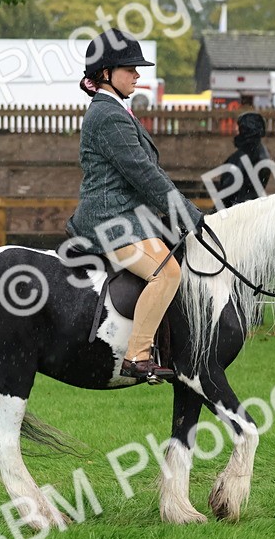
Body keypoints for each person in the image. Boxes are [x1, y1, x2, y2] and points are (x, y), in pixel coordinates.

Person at [66, 29, 205, 384]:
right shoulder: (108, 115)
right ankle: (137, 356)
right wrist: (186, 212)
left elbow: (149, 172)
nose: (138, 75)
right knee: (167, 272)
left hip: (129, 217)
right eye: (131, 68)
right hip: (109, 221)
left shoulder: (117, 110)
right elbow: (144, 174)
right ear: (106, 73)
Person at [213, 112, 272, 207]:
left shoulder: (246, 153)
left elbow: (229, 186)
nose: (236, 130)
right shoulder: (261, 151)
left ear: (246, 129)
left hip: (236, 208)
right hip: (251, 206)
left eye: (239, 128)